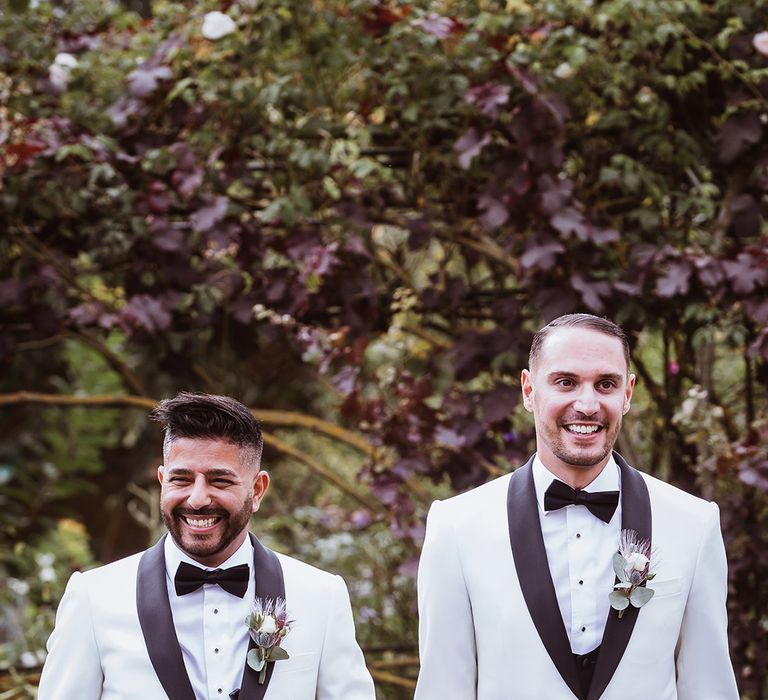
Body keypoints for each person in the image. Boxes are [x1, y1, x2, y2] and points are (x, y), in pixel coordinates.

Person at [415, 313, 739, 700]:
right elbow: (443, 689)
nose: (587, 405)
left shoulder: (694, 524)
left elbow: (710, 688)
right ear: (529, 390)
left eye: (606, 384)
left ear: (628, 393)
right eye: (566, 382)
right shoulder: (456, 527)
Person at [38, 392, 376, 700]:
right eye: (181, 479)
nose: (197, 499)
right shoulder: (93, 598)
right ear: (162, 480)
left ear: (257, 490)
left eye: (219, 480)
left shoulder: (321, 595)